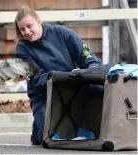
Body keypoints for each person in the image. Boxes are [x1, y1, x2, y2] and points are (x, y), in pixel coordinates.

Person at [13, 6, 102, 145]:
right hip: (44, 96)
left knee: (100, 91)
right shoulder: (21, 50)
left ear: (38, 21)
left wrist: (92, 70)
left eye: (29, 26)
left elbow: (87, 58)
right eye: (22, 29)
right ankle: (38, 127)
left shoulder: (63, 33)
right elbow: (37, 79)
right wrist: (65, 77)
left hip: (72, 90)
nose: (27, 32)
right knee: (51, 139)